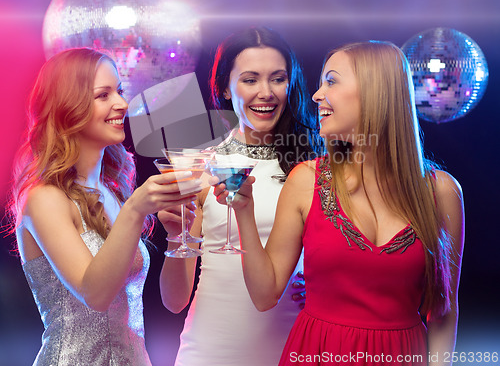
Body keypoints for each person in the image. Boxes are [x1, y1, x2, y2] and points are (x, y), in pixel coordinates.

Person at [214, 41, 465, 365]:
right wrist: (243, 211)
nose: (317, 95)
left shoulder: (442, 191)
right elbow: (265, 295)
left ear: (376, 93)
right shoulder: (306, 179)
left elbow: (443, 311)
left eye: (331, 81)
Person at [7, 48, 201, 366]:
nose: (122, 104)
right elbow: (95, 295)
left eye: (120, 91)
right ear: (67, 108)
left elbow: (176, 302)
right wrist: (135, 210)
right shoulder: (44, 198)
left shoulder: (113, 193)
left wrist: (179, 236)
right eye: (103, 95)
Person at [158, 26, 321, 366]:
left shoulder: (315, 166)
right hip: (210, 351)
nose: (266, 92)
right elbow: (174, 301)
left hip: (294, 348)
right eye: (250, 80)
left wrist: (327, 287)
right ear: (224, 87)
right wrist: (176, 239)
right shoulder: (201, 166)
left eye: (278, 79)